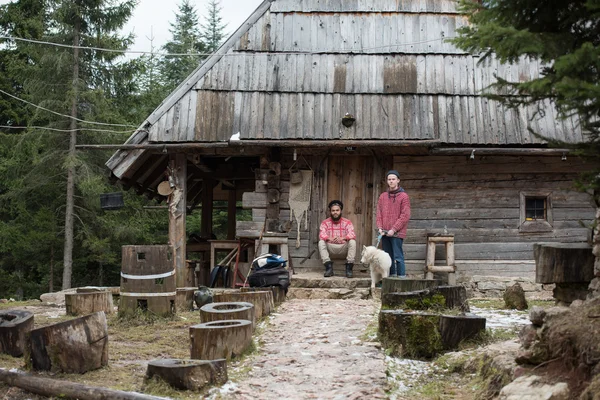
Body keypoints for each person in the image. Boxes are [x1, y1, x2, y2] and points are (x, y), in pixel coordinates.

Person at [376, 170, 411, 277]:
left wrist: (394, 229)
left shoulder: (404, 196)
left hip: (397, 233)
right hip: (385, 233)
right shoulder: (383, 196)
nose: (391, 181)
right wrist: (380, 228)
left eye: (393, 179)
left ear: (398, 181)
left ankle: (401, 278)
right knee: (388, 257)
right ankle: (390, 277)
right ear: (387, 181)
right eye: (389, 179)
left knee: (398, 257)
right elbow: (379, 213)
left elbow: (405, 215)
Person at [318, 200, 357, 278]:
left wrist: (343, 238)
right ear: (330, 212)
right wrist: (330, 238)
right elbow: (321, 234)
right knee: (321, 242)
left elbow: (352, 234)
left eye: (337, 210)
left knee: (352, 241)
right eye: (333, 210)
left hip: (343, 248)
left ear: (340, 211)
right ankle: (329, 268)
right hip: (331, 247)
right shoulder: (325, 222)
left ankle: (349, 268)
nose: (335, 212)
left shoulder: (347, 222)